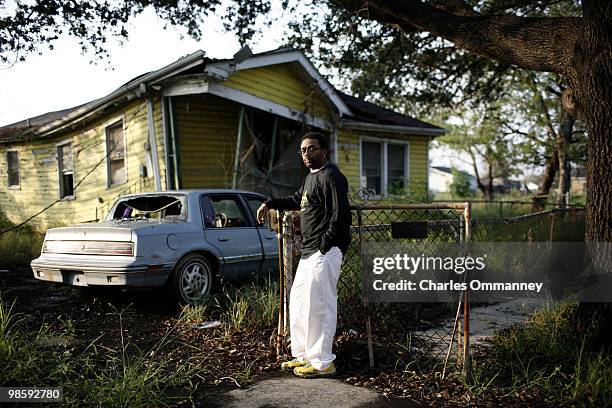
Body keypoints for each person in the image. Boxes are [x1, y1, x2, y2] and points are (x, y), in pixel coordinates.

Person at [256, 132, 351, 378]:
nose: (306, 154)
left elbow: (340, 217)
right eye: (303, 150)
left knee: (320, 306)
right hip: (309, 251)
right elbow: (297, 199)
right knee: (299, 304)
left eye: (311, 149)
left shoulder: (332, 176)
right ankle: (303, 355)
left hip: (325, 251)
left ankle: (323, 363)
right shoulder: (310, 178)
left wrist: (325, 244)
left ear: (324, 151)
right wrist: (270, 203)